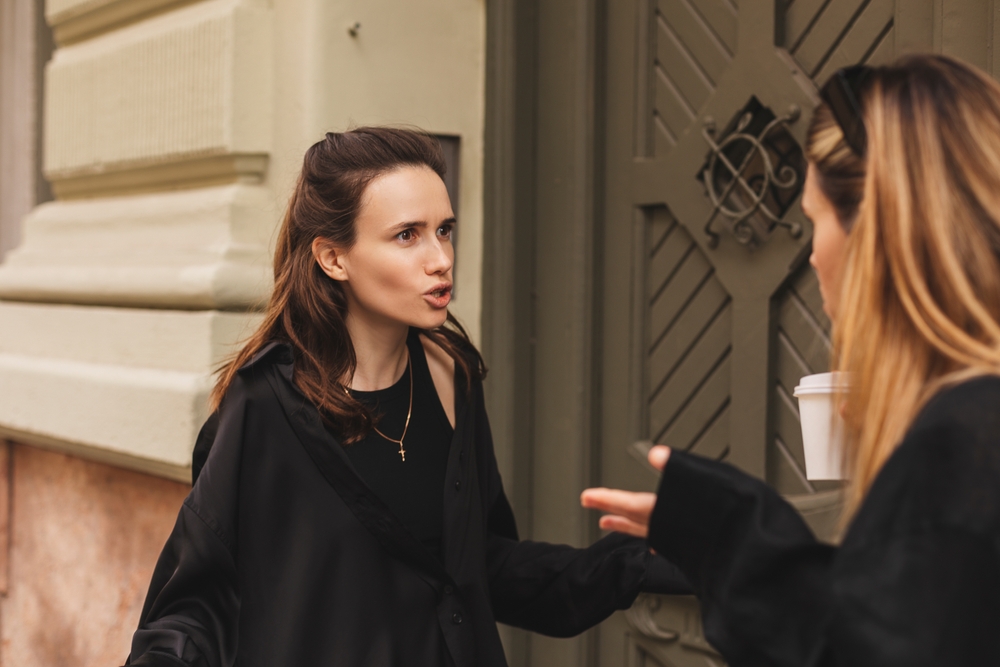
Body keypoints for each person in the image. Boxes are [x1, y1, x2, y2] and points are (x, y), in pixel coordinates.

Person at [125, 127, 689, 667]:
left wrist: (638, 563)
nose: (440, 258)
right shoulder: (264, 405)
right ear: (333, 258)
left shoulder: (451, 377)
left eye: (444, 230)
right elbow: (195, 605)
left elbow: (482, 566)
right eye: (406, 235)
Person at [582, 54, 1000, 666]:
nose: (811, 257)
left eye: (813, 220)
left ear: (876, 231)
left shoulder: (961, 445)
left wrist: (734, 538)